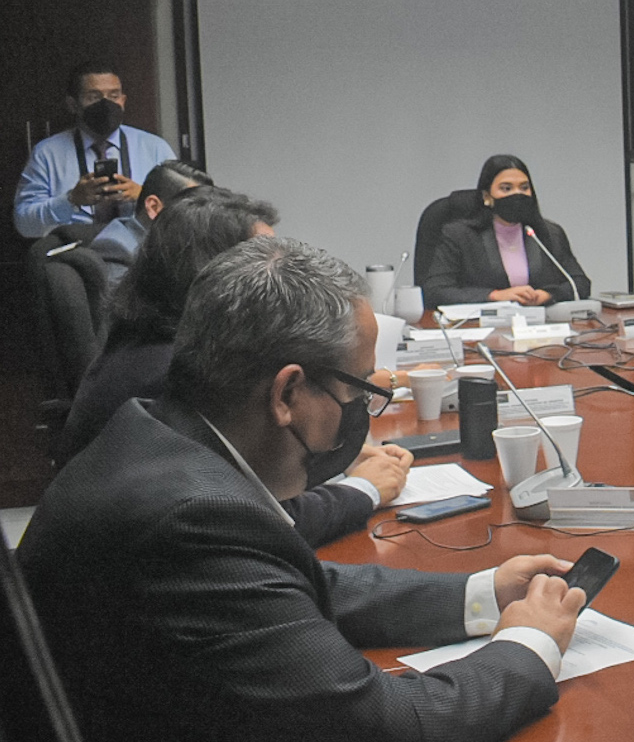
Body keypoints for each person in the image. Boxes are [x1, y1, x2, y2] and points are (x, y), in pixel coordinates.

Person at [18, 237, 584, 742]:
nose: (363, 412)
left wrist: (482, 593)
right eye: (357, 392)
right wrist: (528, 645)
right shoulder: (193, 517)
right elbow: (389, 738)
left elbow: (295, 583)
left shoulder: (158, 436)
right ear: (287, 394)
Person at [58, 188, 411, 544]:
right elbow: (249, 520)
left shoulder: (146, 341)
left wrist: (326, 453)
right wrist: (365, 489)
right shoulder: (168, 372)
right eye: (261, 260)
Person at [13, 62, 179, 258]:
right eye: (94, 97)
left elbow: (185, 211)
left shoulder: (155, 147)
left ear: (123, 100)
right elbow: (24, 225)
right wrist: (71, 200)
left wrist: (143, 196)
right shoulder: (47, 153)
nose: (106, 104)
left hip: (142, 256)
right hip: (73, 258)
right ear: (73, 104)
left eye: (114, 96)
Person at [423, 154, 591, 309]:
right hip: (480, 325)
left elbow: (580, 283)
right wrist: (495, 296)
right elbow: (436, 291)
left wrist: (546, 295)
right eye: (506, 188)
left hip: (538, 324)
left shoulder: (549, 234)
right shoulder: (459, 235)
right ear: (487, 196)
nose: (517, 194)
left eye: (524, 188)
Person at [94, 158, 213, 284]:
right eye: (192, 206)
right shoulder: (116, 248)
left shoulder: (179, 244)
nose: (202, 217)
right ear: (154, 207)